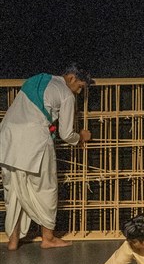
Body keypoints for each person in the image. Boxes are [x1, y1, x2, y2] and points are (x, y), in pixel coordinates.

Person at [1, 64, 93, 251]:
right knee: (46, 188)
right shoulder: (66, 94)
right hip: (34, 140)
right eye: (80, 86)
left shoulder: (36, 78)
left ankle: (13, 240)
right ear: (72, 78)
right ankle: (48, 238)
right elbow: (66, 134)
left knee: (14, 190)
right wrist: (81, 137)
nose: (79, 92)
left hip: (7, 136)